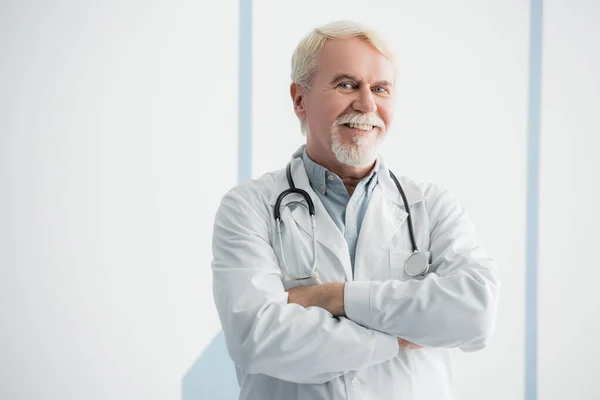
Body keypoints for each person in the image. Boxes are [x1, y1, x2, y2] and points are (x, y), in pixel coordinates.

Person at [211, 19, 500, 400]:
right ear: (299, 99)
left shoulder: (432, 207)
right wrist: (399, 335)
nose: (366, 104)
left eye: (380, 88)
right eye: (346, 84)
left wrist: (335, 298)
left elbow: (474, 315)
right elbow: (257, 338)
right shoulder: (249, 207)